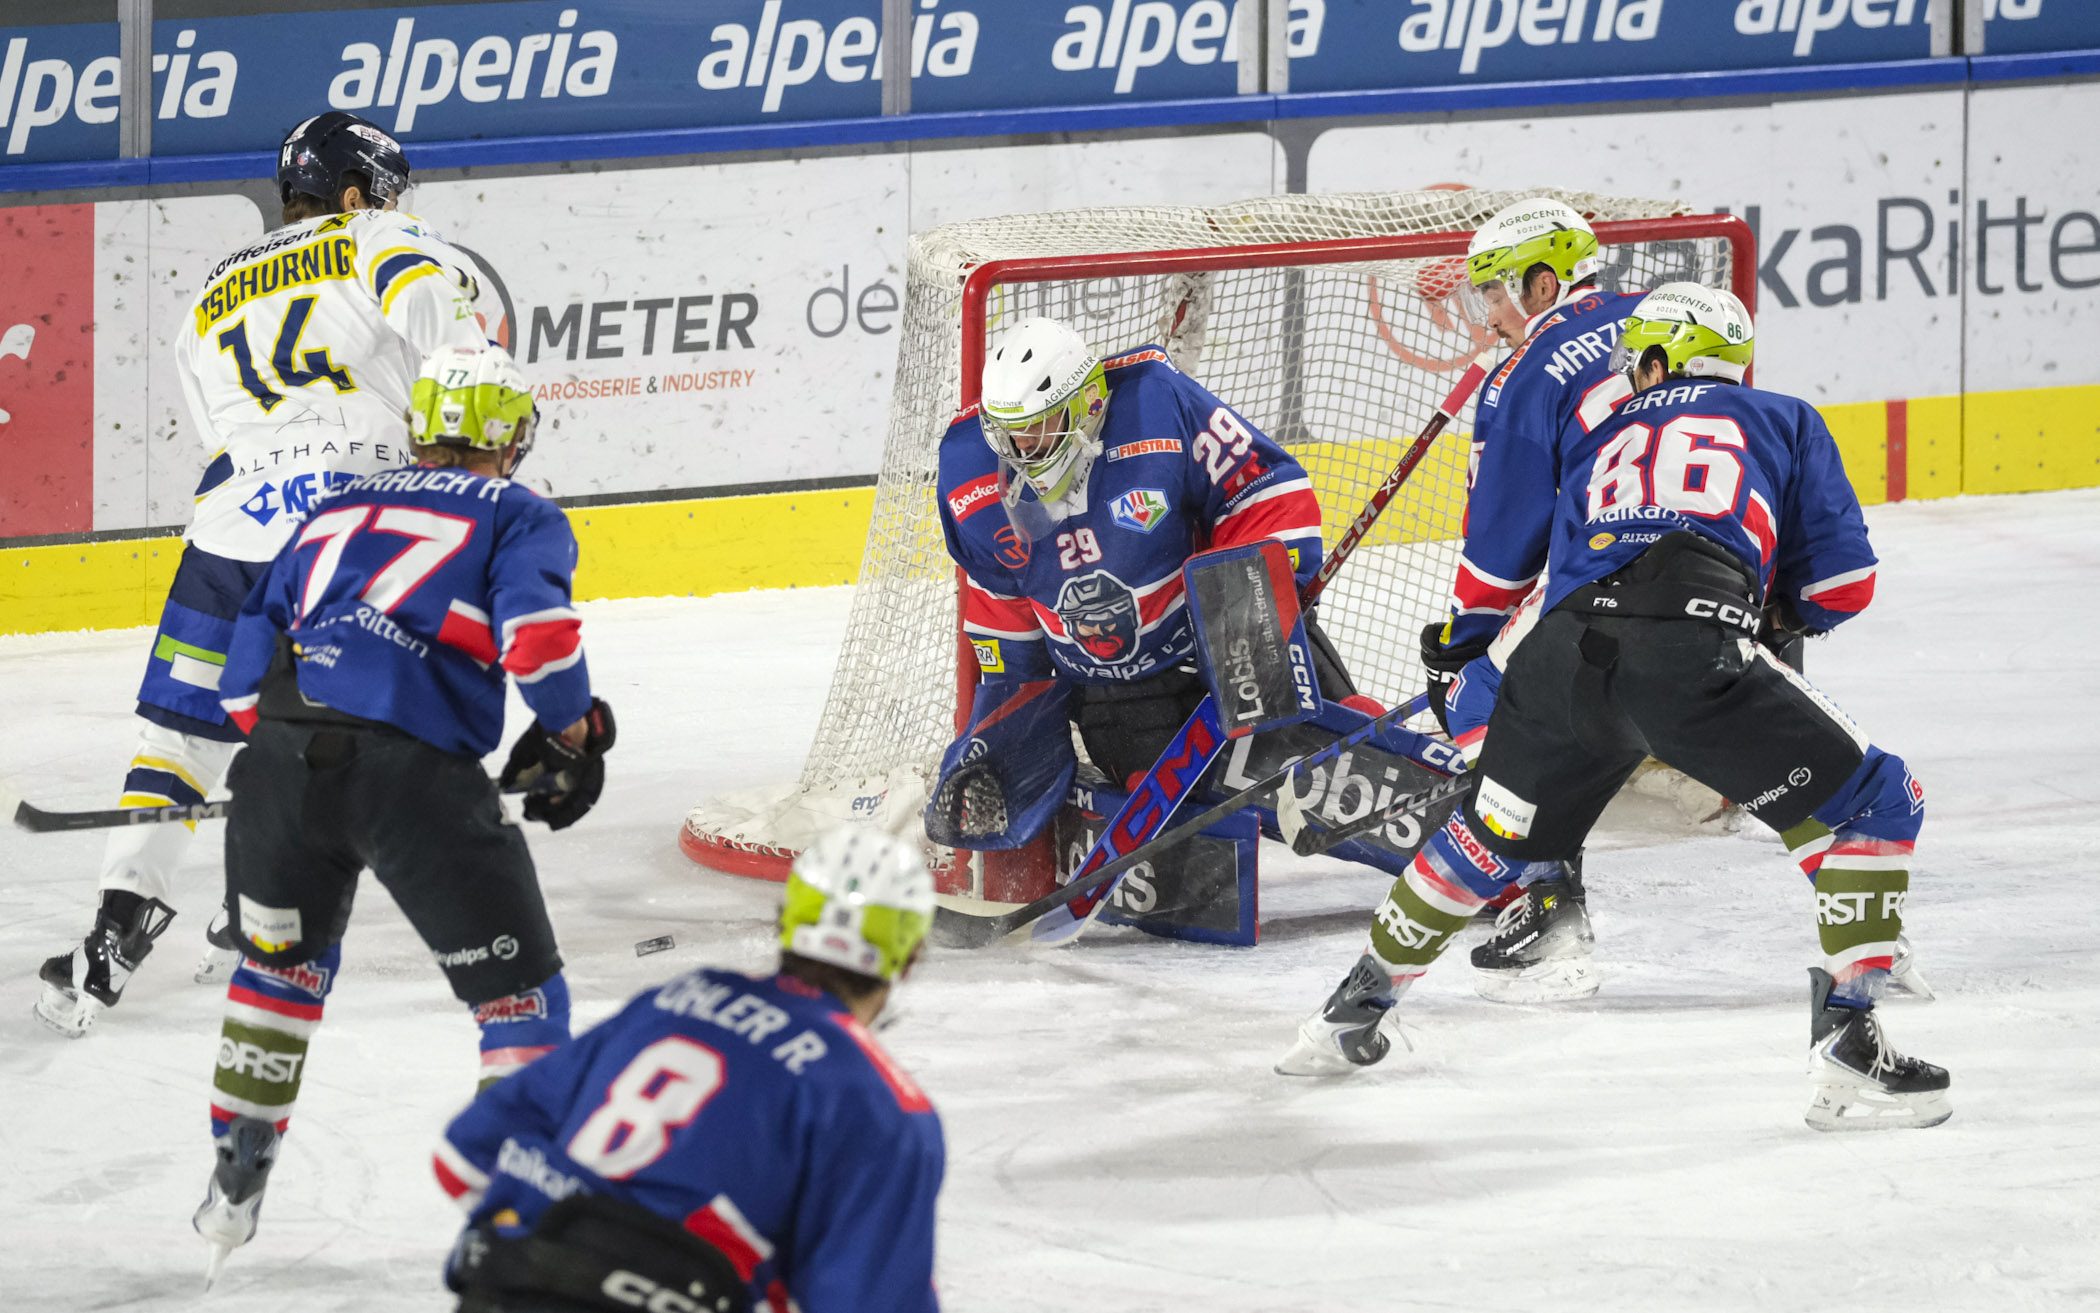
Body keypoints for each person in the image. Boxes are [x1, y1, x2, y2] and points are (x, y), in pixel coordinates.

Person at [1278, 284, 1950, 1133]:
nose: (1632, 373)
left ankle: (1349, 1012)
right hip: (1690, 653)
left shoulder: (1601, 434)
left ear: (1662, 361)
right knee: (1880, 798)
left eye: (1639, 360)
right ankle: (1851, 1029)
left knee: (1484, 839)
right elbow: (1843, 585)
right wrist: (1773, 612)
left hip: (1559, 661)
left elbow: (1555, 573)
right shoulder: (1784, 417)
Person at [35, 110, 490, 1037]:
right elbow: (456, 348)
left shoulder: (210, 291)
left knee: (179, 739)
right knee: (332, 740)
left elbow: (221, 434)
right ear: (355, 194)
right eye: (385, 194)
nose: (395, 206)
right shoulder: (377, 236)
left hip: (231, 533)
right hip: (351, 528)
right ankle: (267, 909)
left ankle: (112, 935)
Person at [191, 343, 617, 1279]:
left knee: (280, 972)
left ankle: (234, 1177)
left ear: (421, 425)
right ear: (510, 435)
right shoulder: (519, 511)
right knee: (519, 999)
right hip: (416, 779)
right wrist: (572, 733)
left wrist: (295, 758)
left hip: (279, 769)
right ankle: (512, 1227)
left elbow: (239, 676)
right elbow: (539, 641)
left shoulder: (335, 508)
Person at [434, 827, 944, 1313]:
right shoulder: (886, 1109)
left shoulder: (675, 1000)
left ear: (783, 919)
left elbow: (463, 1157)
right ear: (910, 958)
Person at [1412, 196, 1655, 1001]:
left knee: (1477, 690)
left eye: (1494, 291)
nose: (1488, 314)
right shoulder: (1663, 320)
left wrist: (1460, 642)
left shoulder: (1523, 375)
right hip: (1730, 572)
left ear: (1543, 283)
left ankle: (1547, 896)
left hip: (1614, 592)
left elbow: (1501, 545)